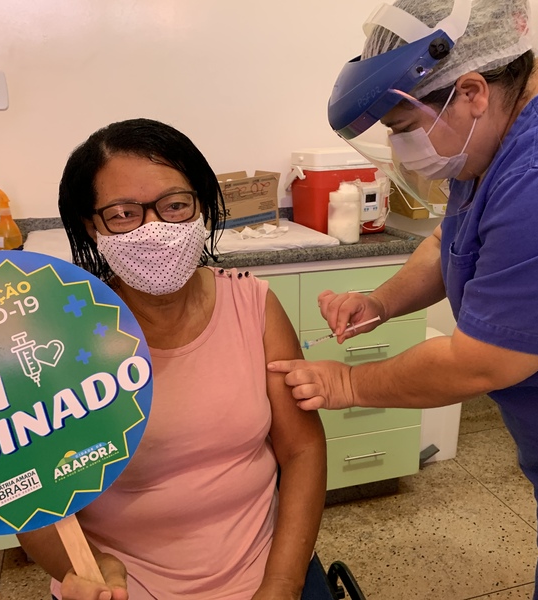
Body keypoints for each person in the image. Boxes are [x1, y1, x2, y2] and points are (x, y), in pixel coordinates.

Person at [269, 1, 538, 598]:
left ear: (472, 91)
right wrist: (380, 303)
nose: (401, 147)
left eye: (403, 127)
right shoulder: (505, 122)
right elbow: (450, 239)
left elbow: (481, 363)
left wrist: (347, 384)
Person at [18, 118, 327, 600]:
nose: (155, 230)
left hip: (267, 569)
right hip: (124, 585)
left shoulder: (254, 305)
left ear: (202, 206)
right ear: (91, 225)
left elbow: (302, 449)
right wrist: (90, 570)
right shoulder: (56, 343)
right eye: (123, 214)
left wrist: (283, 583)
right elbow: (28, 496)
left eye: (175, 205)